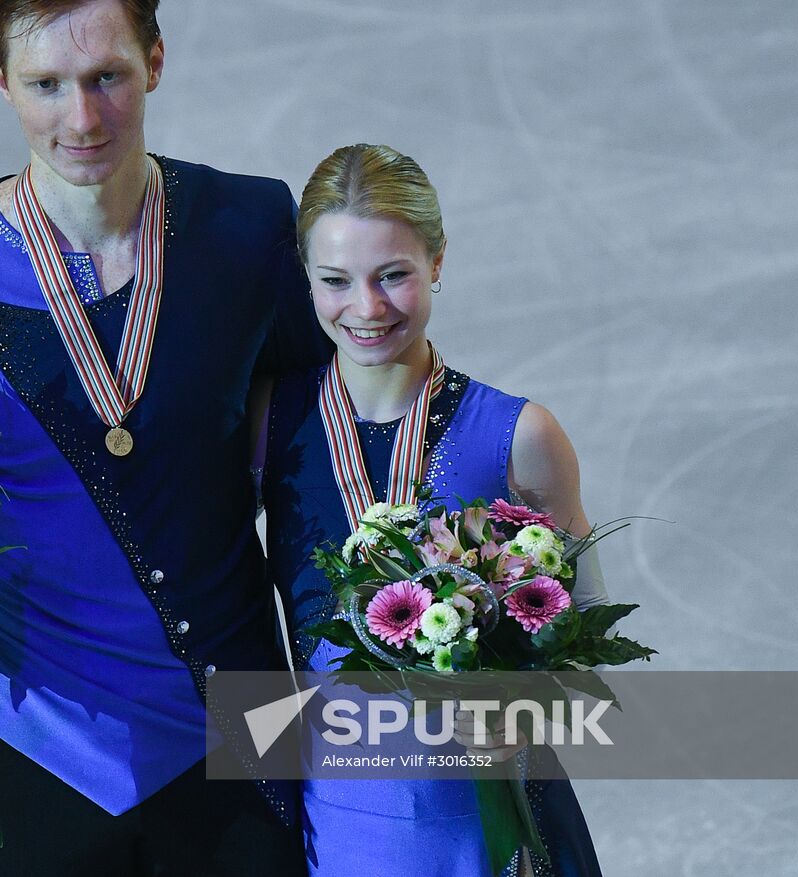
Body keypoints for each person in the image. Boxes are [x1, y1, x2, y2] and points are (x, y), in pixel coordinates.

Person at [0, 0, 327, 876]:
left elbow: (321, 459)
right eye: (46, 85)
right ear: (0, 80)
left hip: (245, 719)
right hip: (33, 737)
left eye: (108, 76)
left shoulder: (251, 230)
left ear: (156, 61)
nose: (83, 117)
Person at [258, 144, 608, 876]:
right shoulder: (269, 424)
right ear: (305, 278)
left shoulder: (519, 436)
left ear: (438, 261)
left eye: (393, 275)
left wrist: (526, 707)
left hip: (490, 824)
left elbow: (585, 626)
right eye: (336, 280)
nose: (367, 308)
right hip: (339, 826)